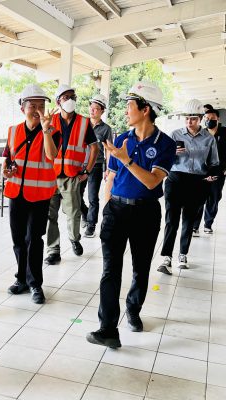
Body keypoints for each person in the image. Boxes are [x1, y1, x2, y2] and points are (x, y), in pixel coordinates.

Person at [86, 81, 176, 348]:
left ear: (145, 109)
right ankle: (107, 328)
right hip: (116, 209)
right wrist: (106, 208)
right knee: (110, 270)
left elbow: (152, 181)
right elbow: (111, 177)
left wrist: (127, 159)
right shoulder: (121, 139)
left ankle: (133, 310)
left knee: (140, 268)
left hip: (146, 212)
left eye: (129, 106)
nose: (125, 111)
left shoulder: (165, 144)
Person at [4, 84, 60, 304]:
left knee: (34, 240)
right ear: (22, 108)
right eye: (32, 106)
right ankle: (21, 279)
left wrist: (46, 130)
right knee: (18, 239)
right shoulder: (13, 131)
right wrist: (7, 170)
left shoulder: (53, 131)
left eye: (41, 106)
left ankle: (35, 283)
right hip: (16, 193)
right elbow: (9, 159)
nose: (37, 110)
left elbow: (51, 155)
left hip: (40, 195)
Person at [157, 99, 219, 275]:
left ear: (200, 119)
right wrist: (171, 153)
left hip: (196, 182)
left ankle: (183, 254)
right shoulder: (175, 134)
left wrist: (211, 176)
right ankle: (166, 257)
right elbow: (162, 159)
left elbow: (214, 162)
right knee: (171, 220)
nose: (189, 122)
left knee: (189, 221)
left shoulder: (208, 139)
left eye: (193, 119)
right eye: (186, 118)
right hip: (175, 180)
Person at [45, 84, 99, 265]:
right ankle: (53, 250)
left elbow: (94, 148)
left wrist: (87, 171)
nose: (70, 100)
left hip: (71, 175)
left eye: (73, 97)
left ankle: (74, 238)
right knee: (50, 215)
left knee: (74, 212)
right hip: (50, 176)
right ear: (58, 101)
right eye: (66, 97)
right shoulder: (50, 121)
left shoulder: (84, 122)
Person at [193, 108, 226, 235]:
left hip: (219, 171)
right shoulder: (201, 134)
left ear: (218, 119)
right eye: (207, 119)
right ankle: (195, 225)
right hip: (202, 171)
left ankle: (208, 224)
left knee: (214, 198)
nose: (209, 121)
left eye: (212, 119)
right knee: (199, 197)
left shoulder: (224, 133)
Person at [84, 93, 113, 238]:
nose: (92, 110)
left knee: (92, 197)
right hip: (81, 164)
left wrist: (108, 168)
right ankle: (85, 214)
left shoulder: (106, 129)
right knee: (75, 195)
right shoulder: (83, 124)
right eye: (91, 107)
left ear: (102, 111)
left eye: (96, 108)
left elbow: (109, 150)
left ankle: (91, 225)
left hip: (96, 165)